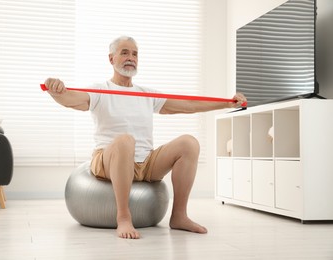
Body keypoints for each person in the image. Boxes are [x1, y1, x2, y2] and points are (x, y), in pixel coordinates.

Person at [44, 36, 246, 239]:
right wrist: (56, 90)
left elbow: (188, 105)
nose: (131, 57)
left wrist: (227, 103)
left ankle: (179, 216)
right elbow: (72, 99)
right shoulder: (100, 90)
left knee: (189, 143)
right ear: (111, 59)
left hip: (145, 162)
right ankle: (123, 217)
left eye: (135, 54)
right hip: (108, 159)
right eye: (124, 52)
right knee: (125, 140)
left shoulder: (146, 94)